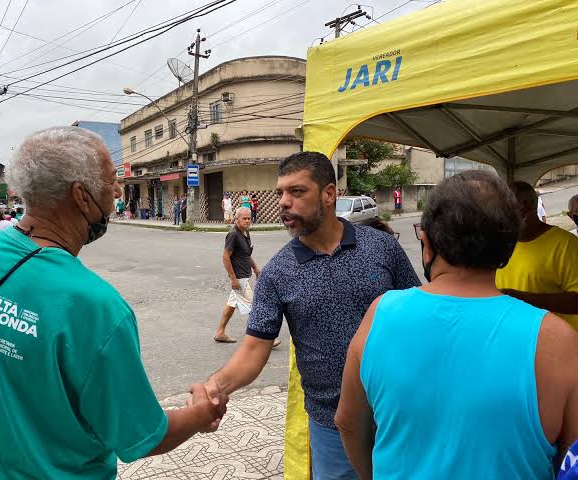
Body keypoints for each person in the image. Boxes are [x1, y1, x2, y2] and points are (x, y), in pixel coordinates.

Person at [0, 127, 227, 479]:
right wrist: (201, 412)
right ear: (81, 196)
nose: (117, 191)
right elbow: (142, 436)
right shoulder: (96, 308)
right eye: (111, 180)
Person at [336, 171, 578, 479]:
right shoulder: (557, 340)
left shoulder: (381, 314)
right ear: (508, 248)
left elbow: (348, 422)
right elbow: (572, 460)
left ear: (427, 243)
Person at [200, 152, 420, 479]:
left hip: (399, 413)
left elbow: (418, 315)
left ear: (329, 194)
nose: (284, 202)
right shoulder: (278, 273)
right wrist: (216, 385)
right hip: (330, 427)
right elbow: (254, 349)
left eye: (297, 191)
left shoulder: (381, 247)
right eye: (280, 193)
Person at [495, 181, 578, 330]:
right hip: (512, 337)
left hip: (553, 340)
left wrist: (523, 299)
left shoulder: (567, 244)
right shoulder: (499, 244)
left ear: (526, 207)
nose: (498, 217)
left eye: (503, 211)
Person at [215, 207, 264, 344]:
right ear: (236, 219)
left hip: (244, 274)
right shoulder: (233, 235)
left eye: (249, 218)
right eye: (244, 218)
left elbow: (246, 254)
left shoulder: (245, 232)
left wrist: (255, 268)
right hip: (239, 277)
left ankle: (220, 332)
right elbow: (225, 257)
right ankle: (263, 339)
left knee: (231, 304)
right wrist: (233, 278)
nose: (247, 221)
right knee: (254, 307)